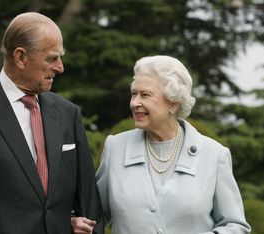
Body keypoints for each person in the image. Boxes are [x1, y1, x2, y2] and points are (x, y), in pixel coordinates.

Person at [0, 12, 103, 234]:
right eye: (52, 58)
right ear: (20, 57)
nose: (60, 67)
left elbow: (90, 208)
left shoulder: (68, 114)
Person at [72, 55, 251, 234]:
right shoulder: (115, 148)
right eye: (134, 93)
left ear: (173, 103)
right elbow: (93, 215)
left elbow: (235, 226)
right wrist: (74, 222)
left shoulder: (214, 155)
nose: (135, 103)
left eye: (145, 95)